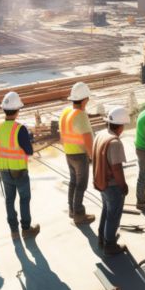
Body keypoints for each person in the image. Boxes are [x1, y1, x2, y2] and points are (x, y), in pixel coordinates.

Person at [0, 92, 39, 240]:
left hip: (4, 170)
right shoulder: (20, 129)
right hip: (19, 171)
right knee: (24, 199)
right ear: (18, 110)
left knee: (9, 199)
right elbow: (29, 151)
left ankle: (14, 231)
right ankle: (26, 229)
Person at [93, 106, 130, 255]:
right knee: (113, 215)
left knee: (107, 211)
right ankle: (110, 244)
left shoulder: (101, 134)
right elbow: (116, 168)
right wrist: (123, 185)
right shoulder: (115, 143)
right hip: (112, 185)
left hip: (101, 181)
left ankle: (102, 237)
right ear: (120, 126)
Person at [59, 82, 95, 225]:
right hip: (80, 155)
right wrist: (92, 156)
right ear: (85, 99)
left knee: (73, 182)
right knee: (81, 185)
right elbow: (87, 138)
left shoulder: (66, 112)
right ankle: (79, 214)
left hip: (68, 153)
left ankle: (72, 210)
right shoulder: (80, 115)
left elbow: (61, 136)